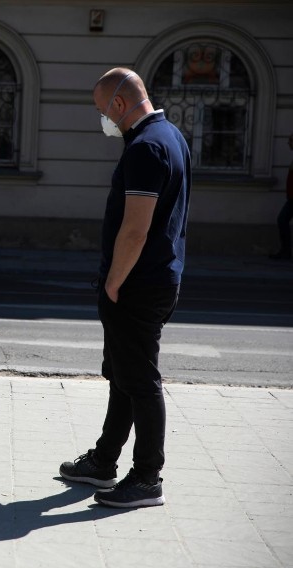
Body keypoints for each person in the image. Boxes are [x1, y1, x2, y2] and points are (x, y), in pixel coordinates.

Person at [59, 68, 191, 508]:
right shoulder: (171, 136)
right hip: (155, 277)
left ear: (118, 104)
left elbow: (135, 231)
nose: (104, 121)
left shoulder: (146, 148)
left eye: (102, 111)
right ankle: (104, 461)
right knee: (124, 376)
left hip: (137, 284)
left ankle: (147, 478)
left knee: (141, 380)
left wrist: (113, 284)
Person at [269, 133, 293, 260]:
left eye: (290, 141)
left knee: (282, 220)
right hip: (291, 198)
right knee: (282, 220)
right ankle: (286, 251)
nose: (288, 143)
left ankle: (286, 251)